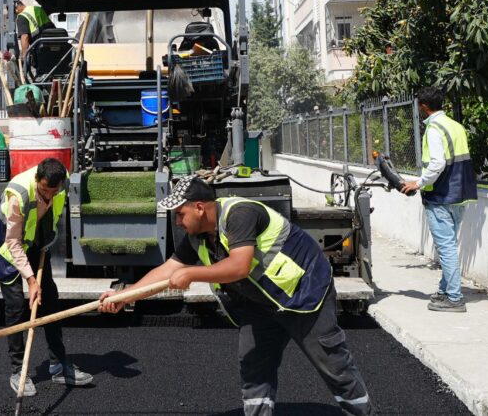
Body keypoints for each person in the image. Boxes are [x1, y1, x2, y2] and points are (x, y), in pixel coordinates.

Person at [99, 176, 373, 416]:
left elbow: (239, 266)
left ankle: (361, 412)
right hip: (260, 305)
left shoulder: (240, 214)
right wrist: (126, 295)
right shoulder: (198, 236)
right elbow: (169, 269)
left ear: (199, 207)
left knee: (333, 364)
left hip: (306, 294)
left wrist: (192, 274)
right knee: (254, 366)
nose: (177, 221)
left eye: (180, 214)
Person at [0, 158, 92, 396]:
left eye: (53, 191)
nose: (49, 195)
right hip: (7, 246)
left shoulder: (60, 182)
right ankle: (18, 370)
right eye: (44, 190)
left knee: (50, 301)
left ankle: (57, 365)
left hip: (35, 242)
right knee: (16, 307)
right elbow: (12, 242)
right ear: (37, 181)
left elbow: (49, 216)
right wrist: (31, 281)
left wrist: (44, 245)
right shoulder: (18, 194)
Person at [400, 86, 478, 313]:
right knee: (449, 245)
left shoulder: (433, 129)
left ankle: (454, 298)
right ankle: (445, 291)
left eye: (418, 106)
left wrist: (418, 183)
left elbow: (437, 163)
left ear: (424, 107)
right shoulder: (456, 126)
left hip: (441, 195)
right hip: (459, 195)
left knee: (446, 249)